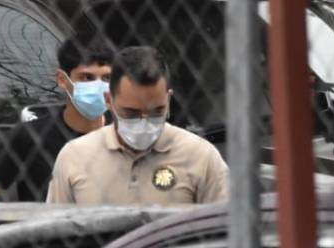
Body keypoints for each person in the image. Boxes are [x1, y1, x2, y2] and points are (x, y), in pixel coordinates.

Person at [47, 45, 229, 205]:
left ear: (169, 99)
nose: (144, 122)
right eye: (131, 113)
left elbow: (228, 230)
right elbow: (52, 234)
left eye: (156, 112)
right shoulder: (75, 158)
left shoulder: (200, 157)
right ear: (108, 100)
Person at [0, 32, 114, 203]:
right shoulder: (30, 137)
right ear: (62, 80)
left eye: (107, 78)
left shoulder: (122, 132)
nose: (98, 86)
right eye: (87, 77)